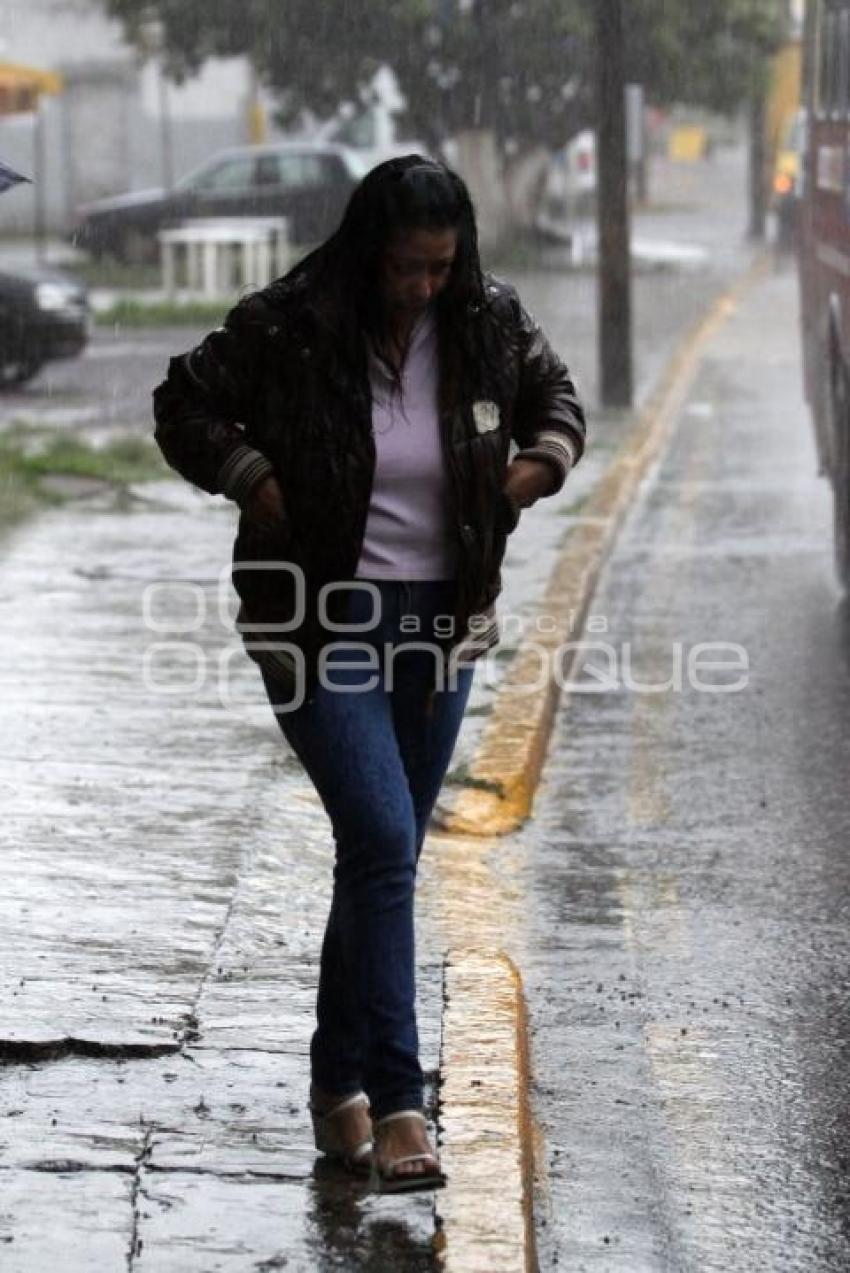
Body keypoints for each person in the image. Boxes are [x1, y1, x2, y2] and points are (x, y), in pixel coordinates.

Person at [153, 155, 586, 1192]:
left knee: (375, 857)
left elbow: (556, 396)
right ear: (367, 251)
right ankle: (399, 1103)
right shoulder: (293, 320)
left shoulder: (484, 318)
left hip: (440, 629)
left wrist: (535, 470)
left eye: (439, 267)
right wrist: (253, 480)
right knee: (387, 839)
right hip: (314, 623)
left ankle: (332, 1087)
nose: (422, 287)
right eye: (406, 268)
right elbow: (185, 403)